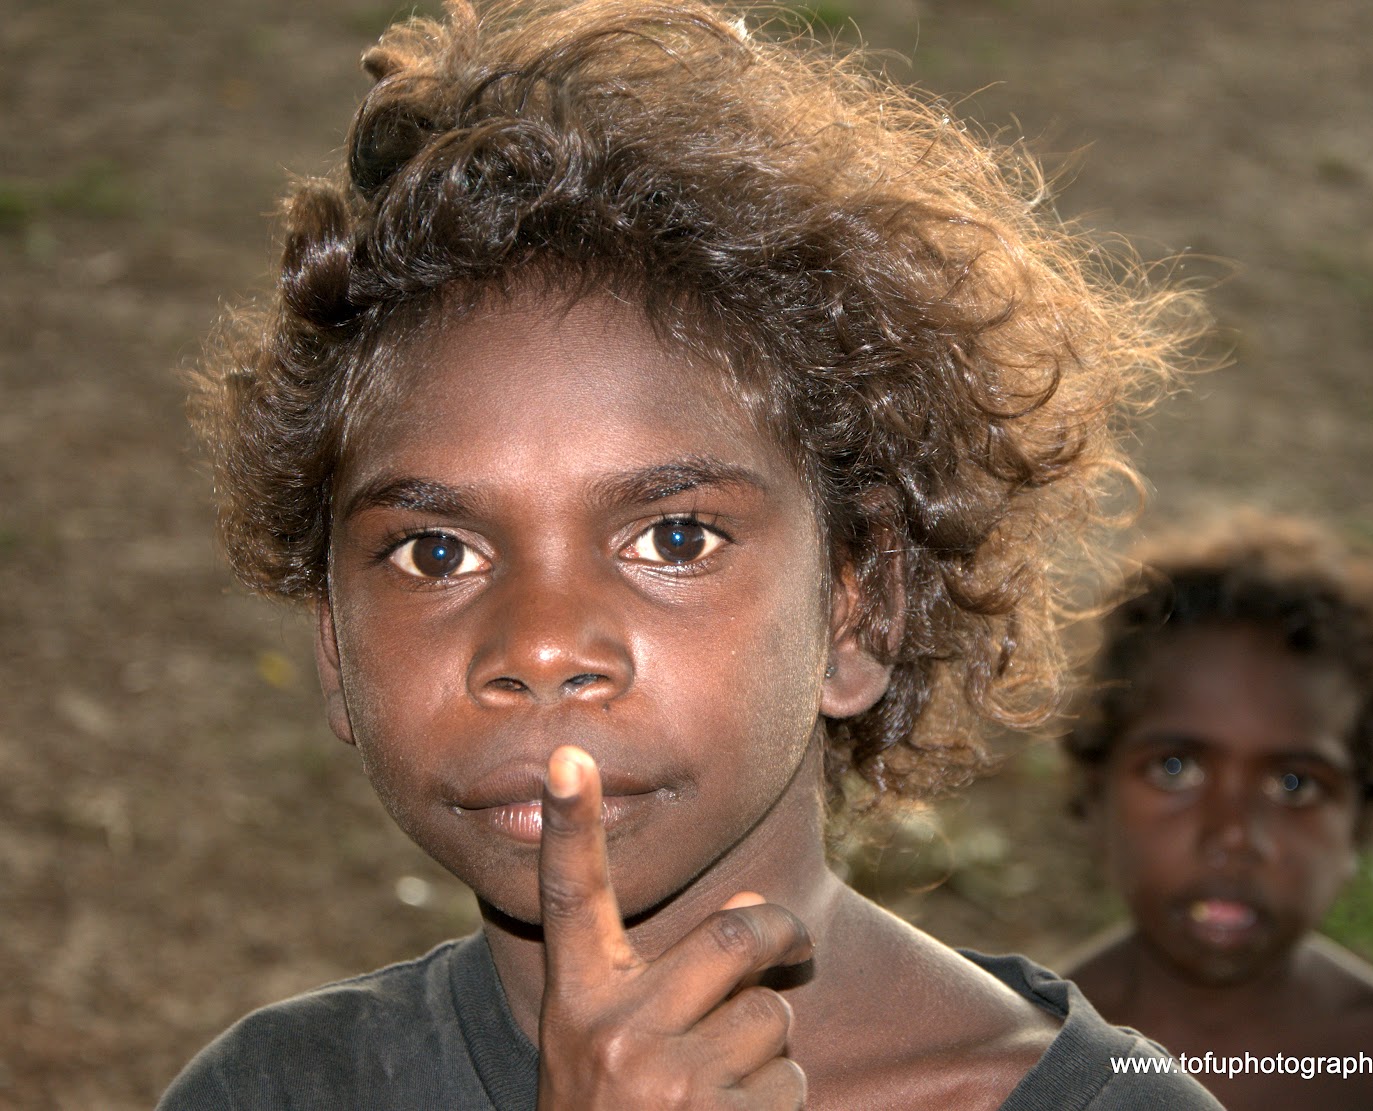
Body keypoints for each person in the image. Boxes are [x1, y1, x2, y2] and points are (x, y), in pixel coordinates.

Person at [159, 1, 1219, 1107]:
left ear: (857, 612)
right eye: (435, 552)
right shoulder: (269, 1091)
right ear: (333, 647)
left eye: (673, 537)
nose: (542, 646)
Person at [1060, 510, 1373, 1110]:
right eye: (1175, 769)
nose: (1233, 834)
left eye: (1294, 784)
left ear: (1361, 819)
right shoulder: (1029, 1059)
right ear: (1094, 791)